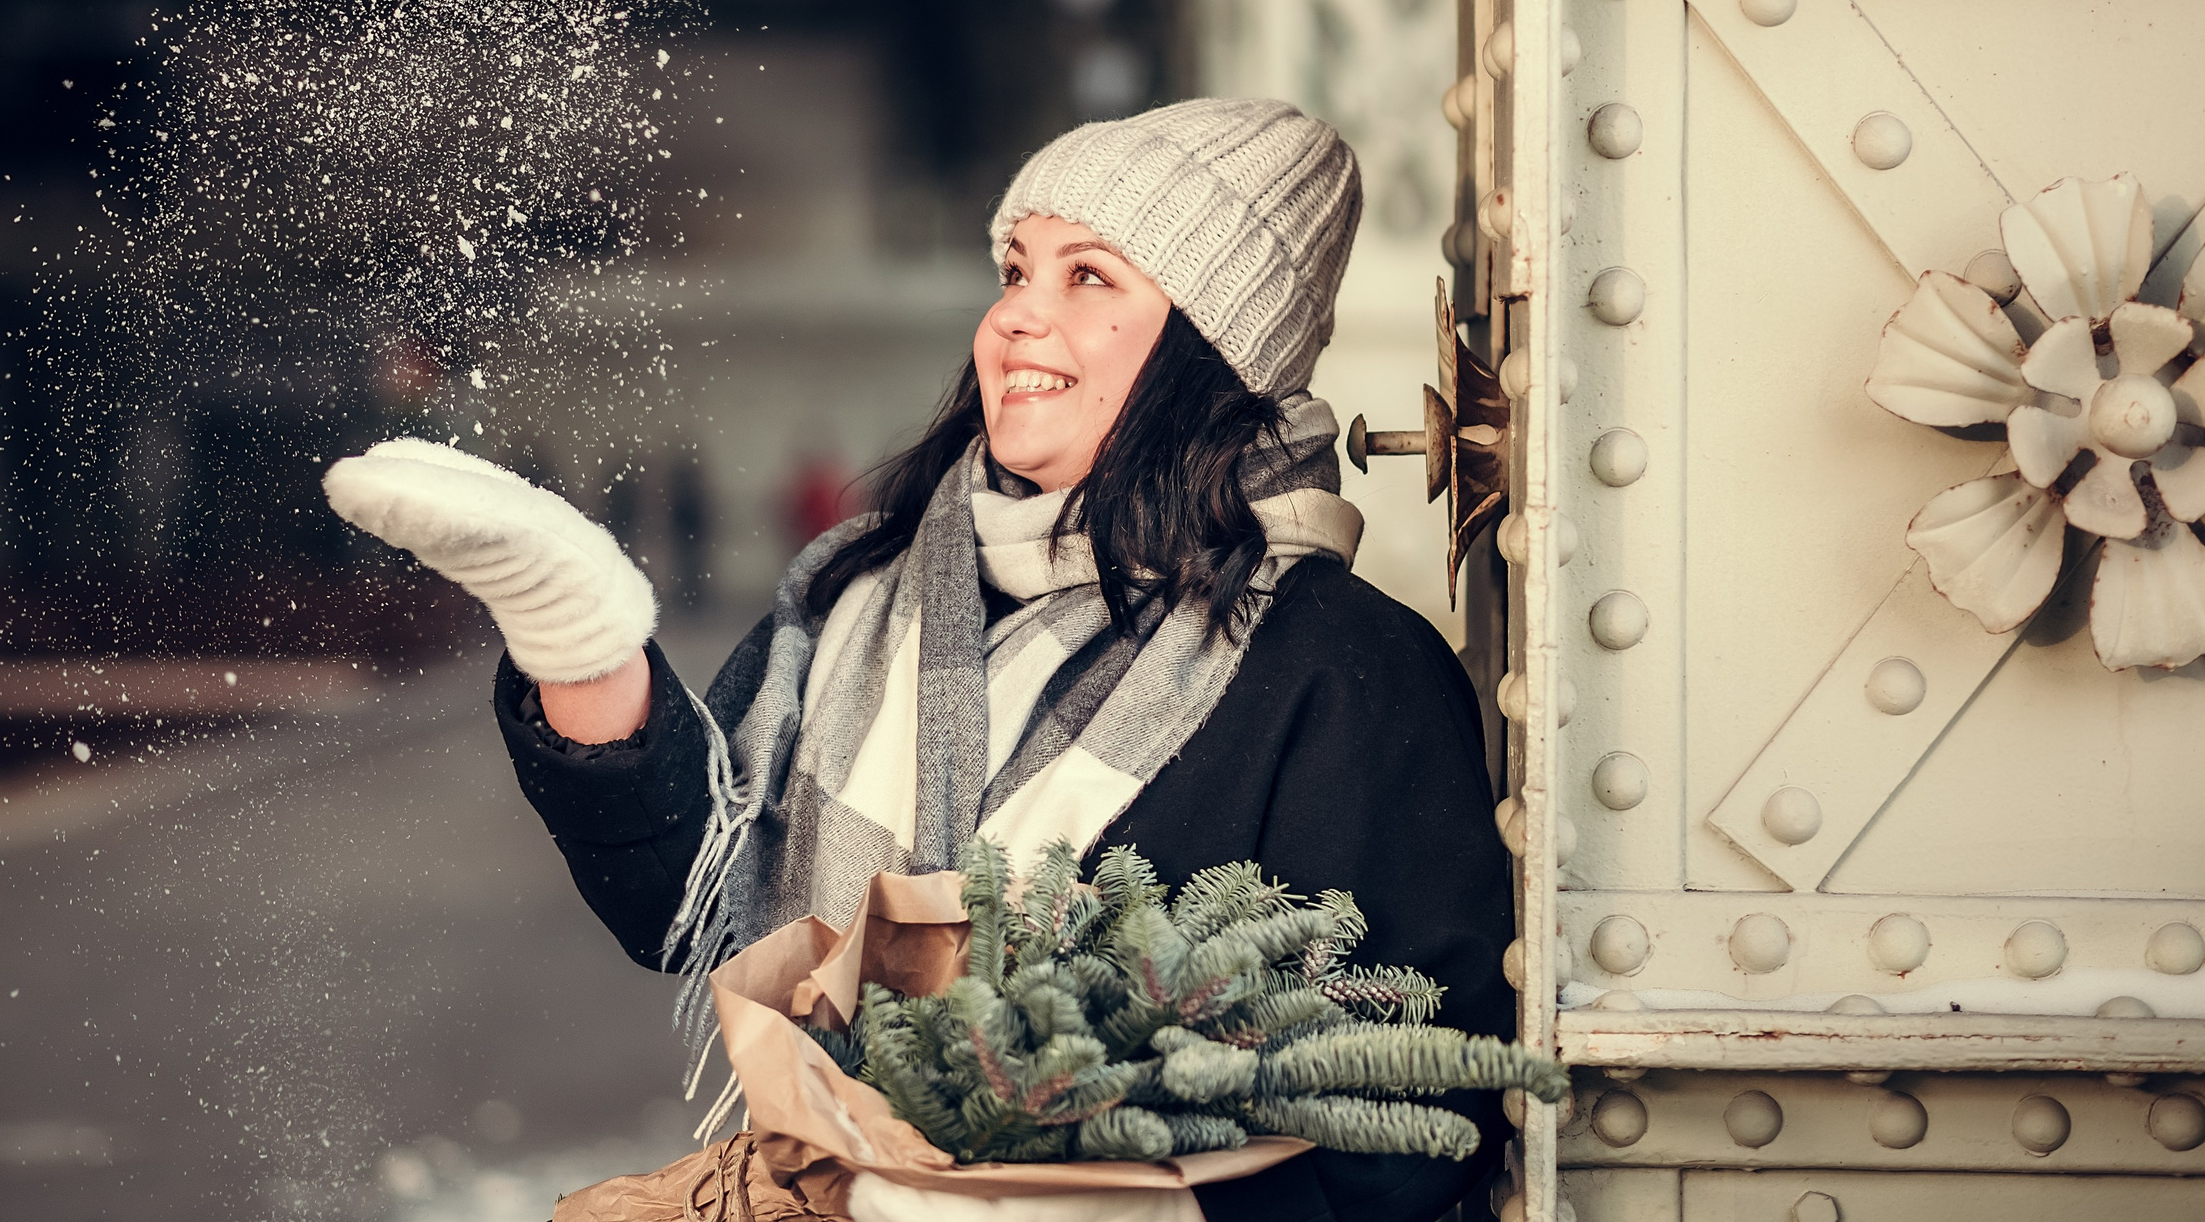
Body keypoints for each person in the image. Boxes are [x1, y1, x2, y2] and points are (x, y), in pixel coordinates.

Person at [322, 99, 1513, 1222]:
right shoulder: (865, 592)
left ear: (1213, 343)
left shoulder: (1346, 669)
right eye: (1014, 271)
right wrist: (579, 639)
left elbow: (1409, 1099)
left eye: (1086, 275)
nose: (1012, 318)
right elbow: (688, 906)